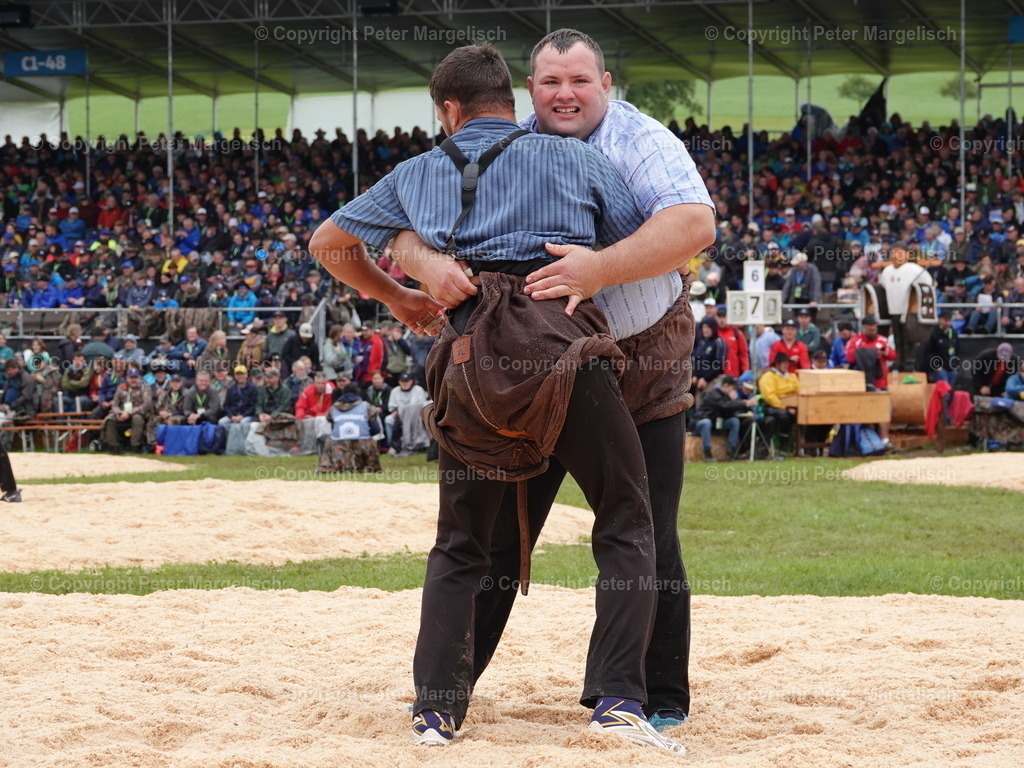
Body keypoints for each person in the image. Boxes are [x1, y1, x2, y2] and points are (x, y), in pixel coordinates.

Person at [309, 43, 693, 753]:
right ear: (512, 103)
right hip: (563, 349)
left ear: (448, 112)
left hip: (470, 355)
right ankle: (617, 698)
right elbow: (629, 243)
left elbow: (329, 242)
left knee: (460, 540)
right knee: (625, 517)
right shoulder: (576, 159)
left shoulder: (418, 171)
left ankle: (436, 711)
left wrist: (400, 293)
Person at [845, 314, 896, 447]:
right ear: (863, 328)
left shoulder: (883, 340)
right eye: (869, 330)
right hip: (863, 383)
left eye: (874, 329)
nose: (872, 332)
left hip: (881, 381)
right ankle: (868, 440)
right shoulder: (855, 341)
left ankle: (884, 439)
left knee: (885, 410)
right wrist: (872, 353)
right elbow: (850, 357)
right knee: (866, 412)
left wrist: (886, 354)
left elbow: (893, 355)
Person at [316, 383, 381, 473]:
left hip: (339, 449)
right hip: (362, 447)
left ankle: (329, 466)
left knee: (329, 440)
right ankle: (370, 467)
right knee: (371, 441)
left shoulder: (333, 408)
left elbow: (334, 426)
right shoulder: (367, 406)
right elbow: (376, 430)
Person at [691, 375, 756, 461]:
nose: (734, 391)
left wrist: (735, 401)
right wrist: (744, 403)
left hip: (715, 424)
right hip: (700, 424)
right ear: (725, 386)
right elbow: (724, 405)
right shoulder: (713, 393)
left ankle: (732, 451)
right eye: (733, 388)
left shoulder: (727, 397)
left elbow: (729, 412)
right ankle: (707, 453)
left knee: (734, 421)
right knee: (706, 422)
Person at [103, 367, 153, 453]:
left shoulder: (145, 387)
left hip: (139, 413)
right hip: (122, 412)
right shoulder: (121, 387)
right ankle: (114, 447)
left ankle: (135, 447)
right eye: (131, 378)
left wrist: (129, 413)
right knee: (110, 420)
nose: (133, 380)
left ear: (139, 378)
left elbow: (146, 405)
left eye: (135, 377)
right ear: (126, 378)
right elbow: (115, 404)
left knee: (137, 418)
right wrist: (118, 412)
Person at [758, 352, 799, 445]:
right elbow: (770, 397)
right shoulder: (768, 377)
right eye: (784, 363)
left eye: (788, 363)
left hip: (792, 405)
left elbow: (798, 391)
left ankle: (802, 445)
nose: (786, 365)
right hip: (771, 406)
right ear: (777, 364)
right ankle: (783, 442)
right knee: (784, 415)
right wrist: (786, 407)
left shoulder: (792, 376)